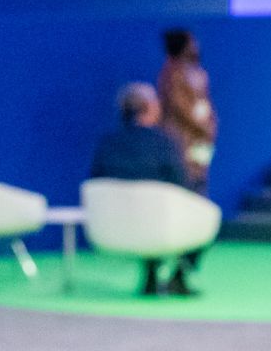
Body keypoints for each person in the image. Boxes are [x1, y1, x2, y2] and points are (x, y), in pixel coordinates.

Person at [89, 82, 201, 297]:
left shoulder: (107, 143)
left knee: (154, 209)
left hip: (113, 223)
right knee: (196, 207)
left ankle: (153, 273)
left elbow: (95, 178)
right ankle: (178, 277)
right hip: (157, 220)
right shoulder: (165, 143)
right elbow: (182, 184)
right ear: (150, 107)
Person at [157, 28, 216, 194]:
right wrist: (199, 126)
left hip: (202, 139)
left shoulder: (199, 73)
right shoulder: (170, 73)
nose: (196, 45)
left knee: (200, 176)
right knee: (184, 178)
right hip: (181, 136)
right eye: (192, 42)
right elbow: (178, 105)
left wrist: (210, 126)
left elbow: (205, 102)